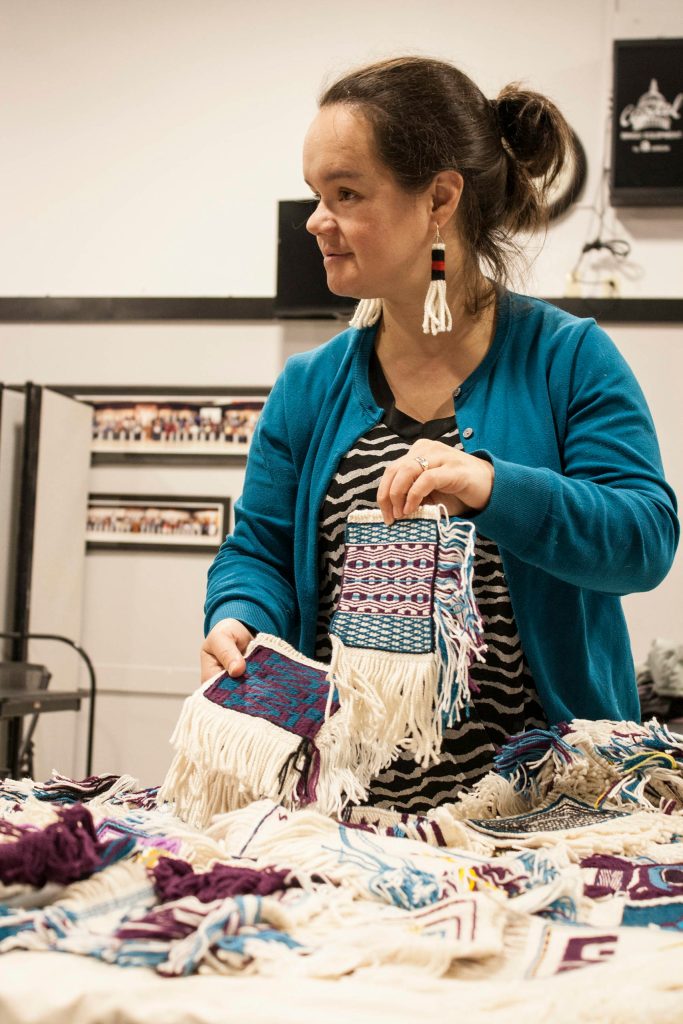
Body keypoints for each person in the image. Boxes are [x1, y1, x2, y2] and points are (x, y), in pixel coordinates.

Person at [200, 56, 679, 810]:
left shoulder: (568, 359)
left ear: (439, 200)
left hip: (551, 813)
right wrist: (238, 615)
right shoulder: (307, 388)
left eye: (346, 194)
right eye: (315, 195)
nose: (315, 220)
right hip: (345, 811)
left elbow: (644, 541)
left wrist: (492, 485)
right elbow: (256, 550)